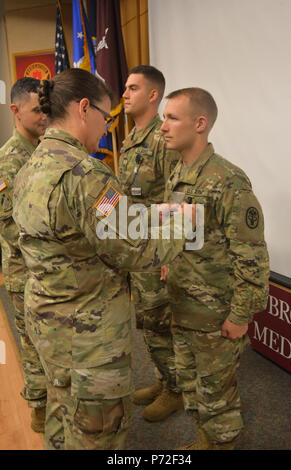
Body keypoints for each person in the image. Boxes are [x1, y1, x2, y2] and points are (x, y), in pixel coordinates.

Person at [12, 68, 188, 450]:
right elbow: (133, 248)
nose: (107, 129)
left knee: (62, 418)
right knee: (99, 435)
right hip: (90, 338)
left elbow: (76, 233)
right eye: (105, 118)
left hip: (48, 327)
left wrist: (142, 215)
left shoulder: (30, 166)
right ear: (83, 108)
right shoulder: (86, 174)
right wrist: (183, 225)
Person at [160, 87, 270, 450]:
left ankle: (220, 443)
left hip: (214, 314)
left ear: (200, 123)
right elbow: (179, 233)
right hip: (183, 306)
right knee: (193, 388)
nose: (163, 126)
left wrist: (240, 316)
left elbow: (251, 258)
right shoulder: (177, 173)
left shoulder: (228, 181)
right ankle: (205, 440)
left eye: (172, 117)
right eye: (164, 117)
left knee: (218, 397)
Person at [118, 65, 182, 422]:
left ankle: (176, 389)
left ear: (153, 95)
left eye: (132, 88)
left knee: (158, 319)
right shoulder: (130, 139)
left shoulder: (161, 139)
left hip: (155, 250)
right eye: (125, 88)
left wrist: (169, 254)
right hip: (135, 248)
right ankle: (164, 378)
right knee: (147, 319)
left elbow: (177, 197)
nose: (124, 94)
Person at [0, 77, 48, 432]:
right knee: (32, 342)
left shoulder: (48, 150)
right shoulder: (6, 162)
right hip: (24, 272)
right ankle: (39, 403)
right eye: (36, 110)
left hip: (53, 270)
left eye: (46, 107)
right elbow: (8, 223)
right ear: (15, 111)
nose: (44, 115)